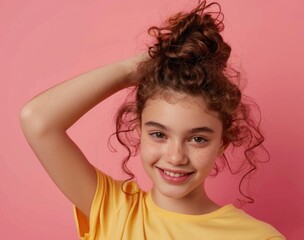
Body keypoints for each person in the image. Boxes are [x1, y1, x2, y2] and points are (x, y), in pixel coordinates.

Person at [20, 1, 285, 239]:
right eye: (159, 134)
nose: (175, 156)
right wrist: (129, 71)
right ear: (139, 131)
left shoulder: (257, 237)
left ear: (223, 142)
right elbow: (37, 120)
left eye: (198, 139)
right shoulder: (116, 212)